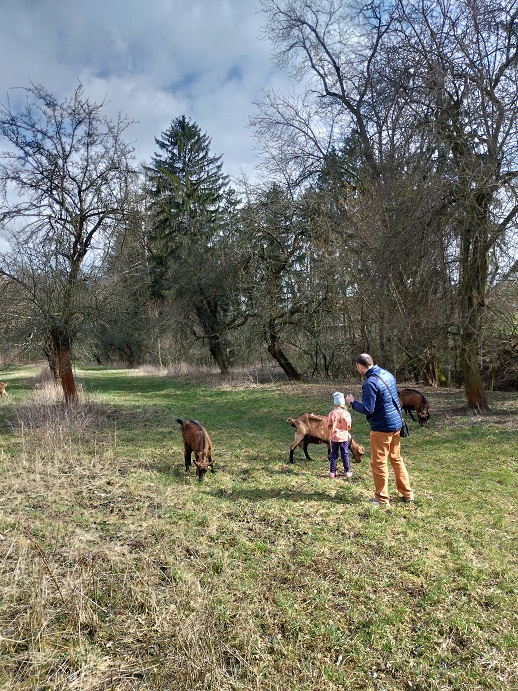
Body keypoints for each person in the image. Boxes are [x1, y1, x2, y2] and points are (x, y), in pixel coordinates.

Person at [345, 354, 414, 507]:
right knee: (396, 459)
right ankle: (408, 493)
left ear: (360, 366)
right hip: (396, 424)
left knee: (379, 462)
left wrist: (352, 403)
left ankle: (381, 498)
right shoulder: (387, 374)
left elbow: (368, 409)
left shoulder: (370, 383)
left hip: (382, 428)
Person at [327, 391, 353, 479]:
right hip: (344, 437)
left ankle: (332, 472)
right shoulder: (346, 414)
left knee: (333, 454)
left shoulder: (331, 414)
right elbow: (348, 425)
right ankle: (347, 471)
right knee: (345, 453)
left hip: (334, 437)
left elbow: (329, 425)